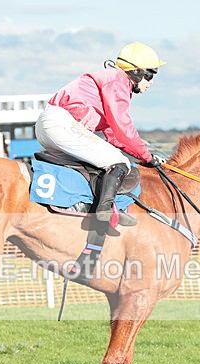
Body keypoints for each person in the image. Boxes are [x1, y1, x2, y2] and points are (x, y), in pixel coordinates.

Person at [35, 42, 166, 227]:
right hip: (61, 124)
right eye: (149, 75)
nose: (150, 82)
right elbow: (123, 126)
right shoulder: (118, 80)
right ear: (136, 71)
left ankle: (85, 205)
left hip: (50, 125)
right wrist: (147, 157)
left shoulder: (112, 81)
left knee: (104, 161)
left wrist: (142, 156)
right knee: (120, 162)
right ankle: (105, 212)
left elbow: (113, 134)